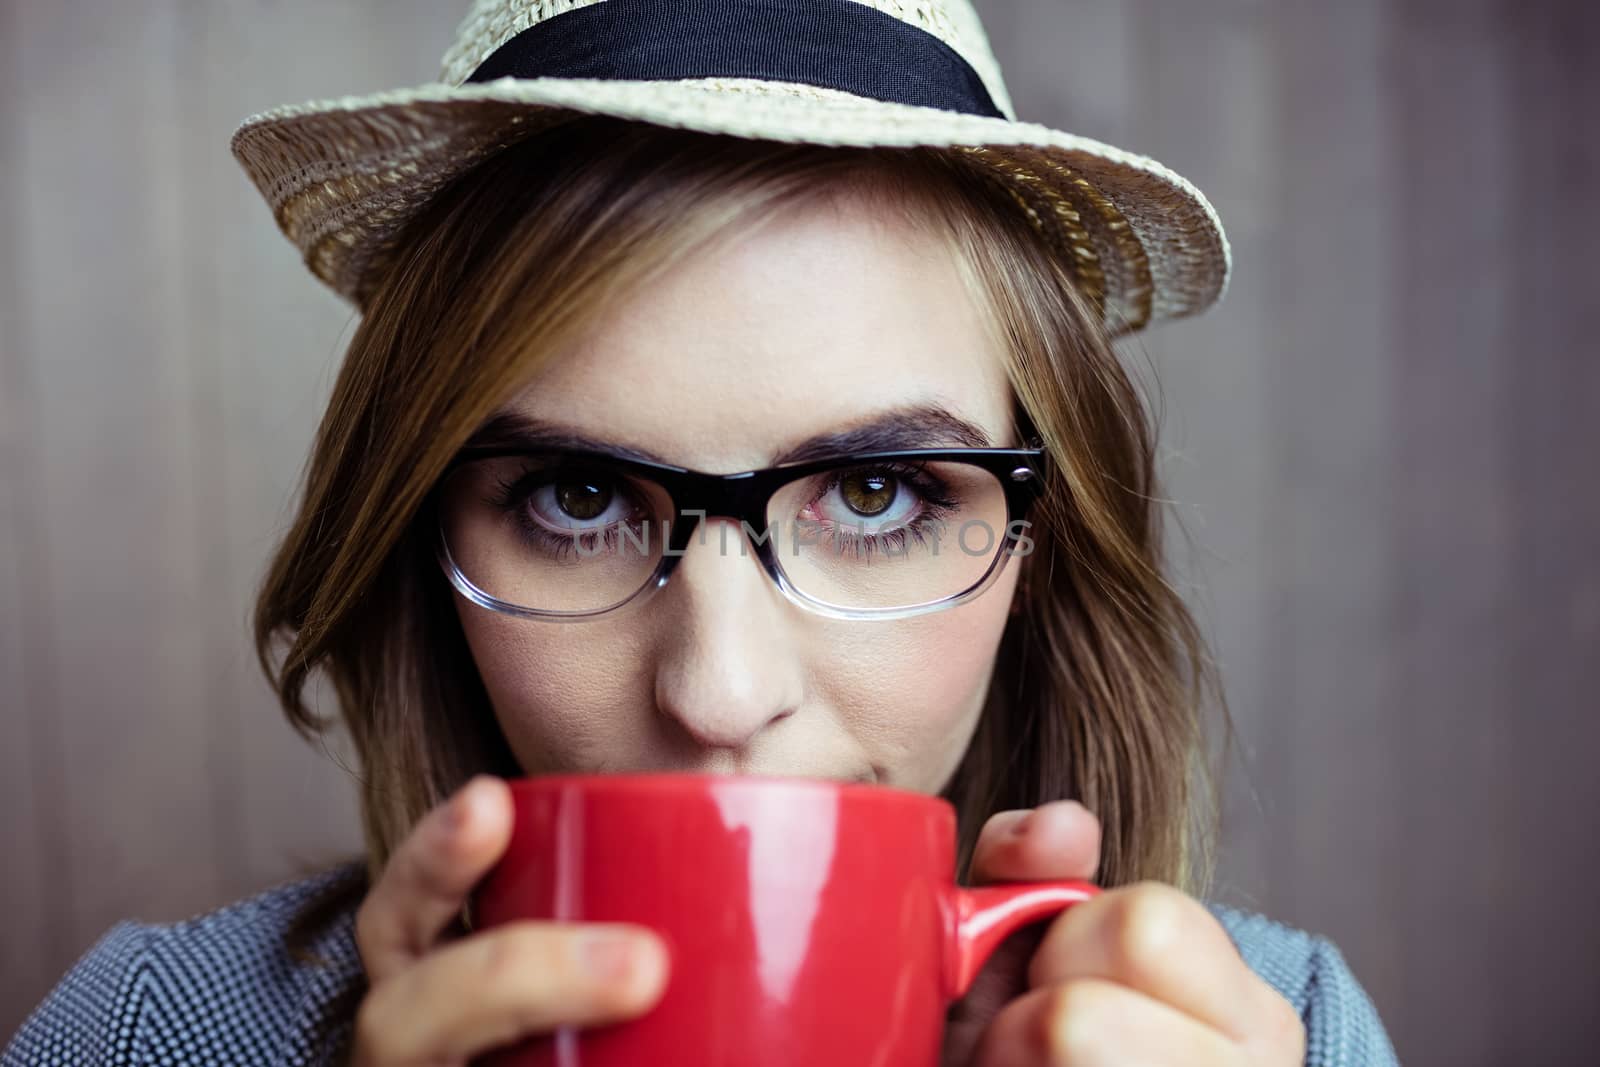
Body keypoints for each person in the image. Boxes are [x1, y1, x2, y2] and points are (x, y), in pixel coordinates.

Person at [4, 2, 1400, 1065]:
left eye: (876, 495)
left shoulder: (1284, 1032)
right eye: (580, 498)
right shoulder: (143, 1031)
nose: (720, 696)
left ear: (1041, 553)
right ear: (424, 548)